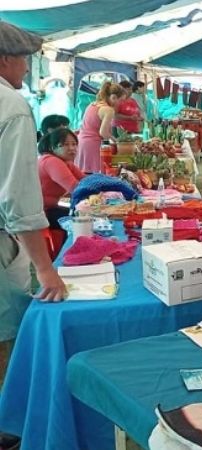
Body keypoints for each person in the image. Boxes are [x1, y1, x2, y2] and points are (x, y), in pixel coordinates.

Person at [0, 22, 69, 448]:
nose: (27, 67)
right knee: (7, 337)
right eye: (24, 58)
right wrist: (46, 270)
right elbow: (18, 198)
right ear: (5, 58)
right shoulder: (11, 106)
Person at [37, 128, 85, 229]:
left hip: (57, 205)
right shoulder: (51, 161)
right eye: (65, 144)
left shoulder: (65, 161)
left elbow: (85, 180)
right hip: (45, 212)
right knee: (86, 218)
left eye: (74, 144)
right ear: (52, 147)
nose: (72, 148)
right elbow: (76, 188)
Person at [76, 81, 125, 173]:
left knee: (84, 174)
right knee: (96, 175)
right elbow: (103, 133)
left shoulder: (92, 104)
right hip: (93, 145)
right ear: (113, 97)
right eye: (121, 100)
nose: (121, 103)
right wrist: (116, 141)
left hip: (82, 143)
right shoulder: (109, 110)